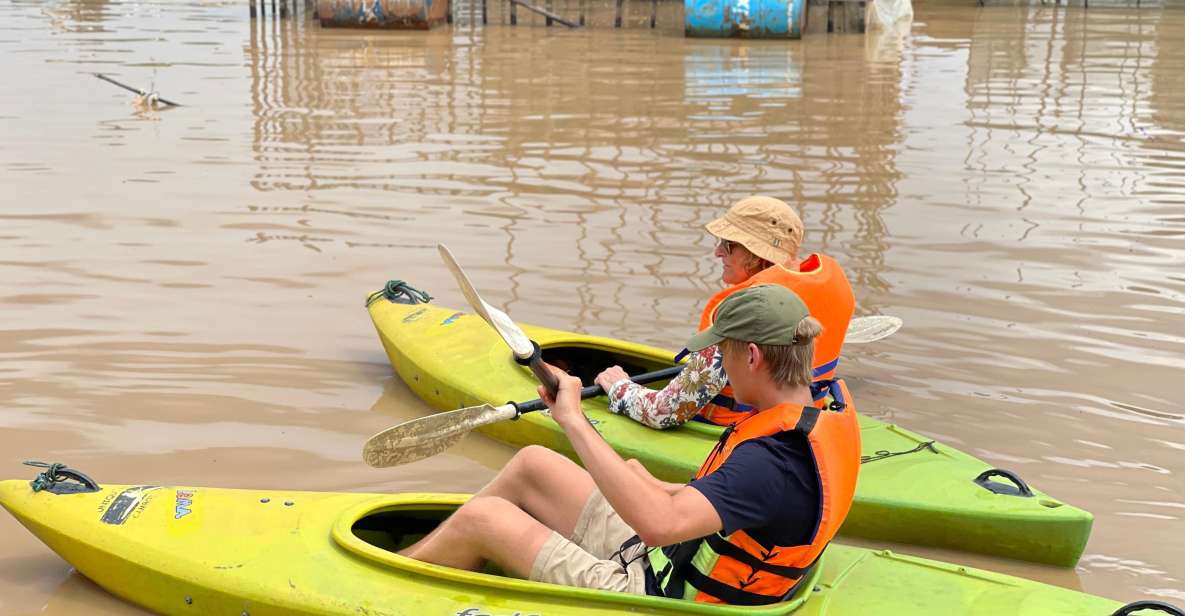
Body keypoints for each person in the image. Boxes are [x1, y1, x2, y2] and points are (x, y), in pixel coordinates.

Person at [399, 285, 862, 605]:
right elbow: (739, 507)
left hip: (661, 601)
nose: (718, 364)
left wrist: (574, 421)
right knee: (534, 464)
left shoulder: (773, 462)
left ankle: (394, 574)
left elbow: (661, 526)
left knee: (488, 519)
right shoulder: (820, 411)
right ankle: (440, 553)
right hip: (666, 559)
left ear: (754, 356)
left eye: (722, 353)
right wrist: (658, 485)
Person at [594, 196, 855, 429]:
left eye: (729, 245)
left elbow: (665, 412)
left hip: (741, 432)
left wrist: (619, 387)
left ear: (757, 256)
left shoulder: (745, 311)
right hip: (806, 418)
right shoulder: (833, 288)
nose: (718, 251)